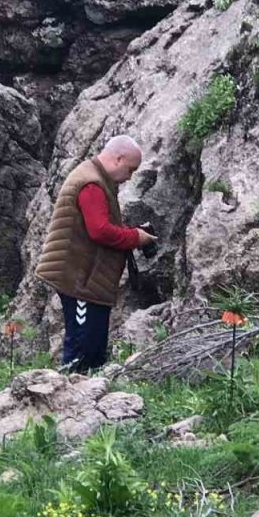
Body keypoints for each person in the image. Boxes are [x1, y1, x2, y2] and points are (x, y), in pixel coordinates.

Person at [35, 135, 159, 372]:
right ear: (118, 159)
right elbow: (99, 231)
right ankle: (70, 399)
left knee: (92, 346)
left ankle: (82, 397)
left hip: (86, 279)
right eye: (130, 169)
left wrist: (131, 233)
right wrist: (136, 237)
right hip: (80, 281)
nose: (130, 176)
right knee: (84, 349)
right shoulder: (91, 183)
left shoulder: (94, 177)